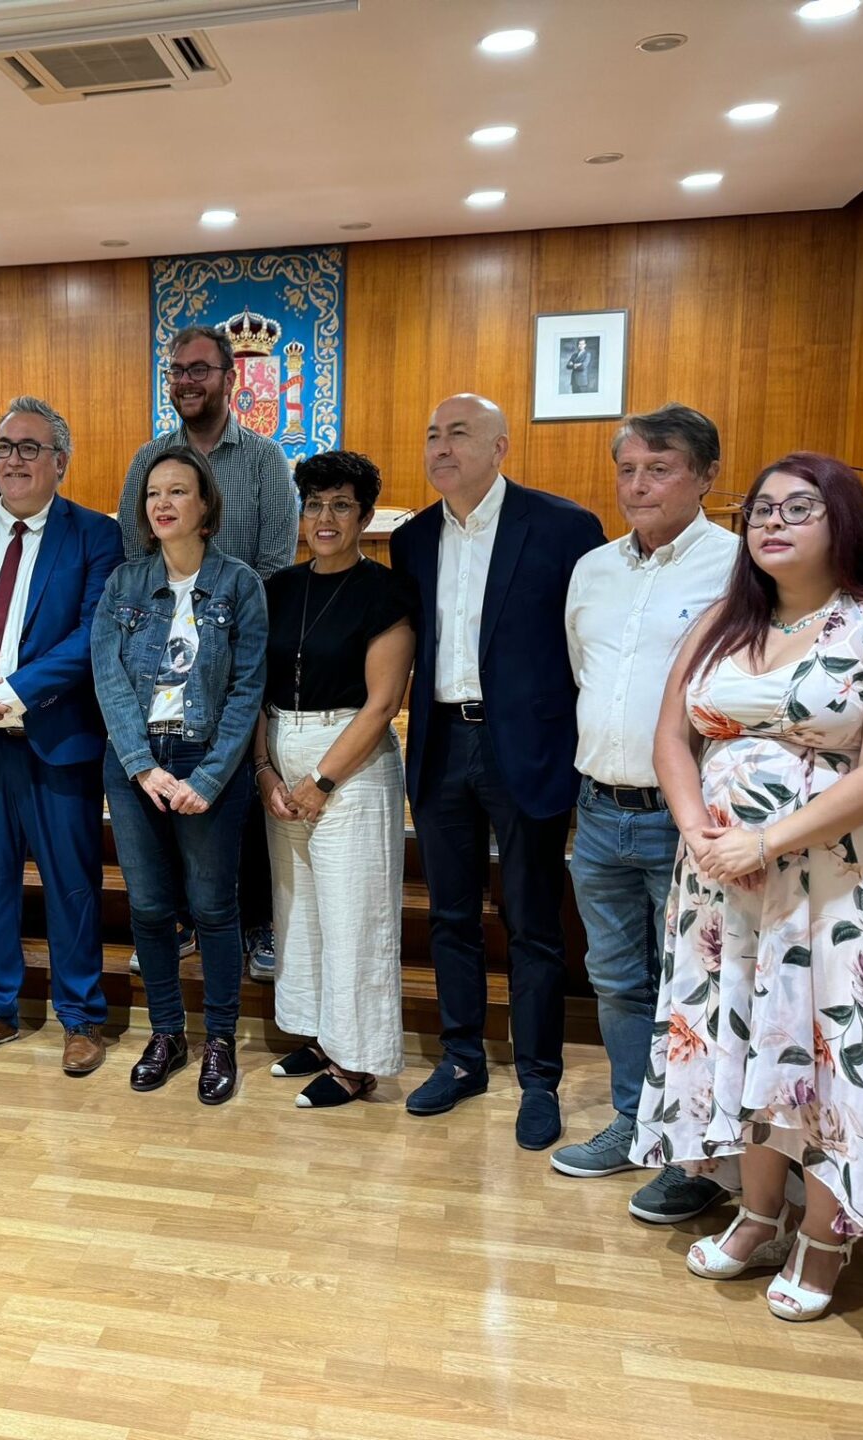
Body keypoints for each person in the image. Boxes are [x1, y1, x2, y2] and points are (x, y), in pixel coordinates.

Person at [639, 453, 863, 1321]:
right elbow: (671, 739)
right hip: (725, 882)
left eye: (798, 508)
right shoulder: (722, 623)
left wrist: (766, 840)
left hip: (841, 880)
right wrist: (698, 831)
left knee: (826, 1047)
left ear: (842, 521)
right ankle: (757, 1213)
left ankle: (825, 1235)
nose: (772, 523)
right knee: (747, 1039)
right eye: (761, 510)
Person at [393, 394, 606, 1150]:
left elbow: (587, 641)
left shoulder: (564, 528)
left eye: (459, 433)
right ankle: (461, 1059)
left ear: (500, 447)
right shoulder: (412, 538)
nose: (441, 447)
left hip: (528, 745)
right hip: (441, 741)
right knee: (450, 915)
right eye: (432, 434)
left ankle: (539, 1076)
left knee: (533, 920)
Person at [556, 405, 741, 1225]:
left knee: (696, 986)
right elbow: (585, 676)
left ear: (706, 476)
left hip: (689, 818)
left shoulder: (738, 568)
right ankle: (636, 1123)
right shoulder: (593, 568)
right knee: (616, 979)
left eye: (659, 469)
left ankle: (697, 1154)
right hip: (600, 808)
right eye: (628, 469)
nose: (638, 485)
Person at [0, 397, 124, 1075]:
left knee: (72, 885)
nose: (13, 459)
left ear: (60, 462)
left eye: (30, 448)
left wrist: (12, 693)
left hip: (56, 739)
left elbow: (94, 633)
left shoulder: (95, 535)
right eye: (6, 447)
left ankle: (81, 1016)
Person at [119, 325, 296, 979]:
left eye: (199, 369)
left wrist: (224, 640)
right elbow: (134, 557)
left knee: (238, 794)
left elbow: (276, 564)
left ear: (230, 377)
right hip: (161, 664)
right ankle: (183, 922)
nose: (186, 381)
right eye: (177, 371)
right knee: (165, 794)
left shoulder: (265, 460)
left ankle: (256, 921)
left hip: (240, 656)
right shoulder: (149, 459)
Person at [92, 445, 265, 1104]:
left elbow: (247, 690)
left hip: (206, 763)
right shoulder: (124, 585)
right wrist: (142, 767)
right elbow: (109, 679)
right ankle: (166, 1032)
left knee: (215, 908)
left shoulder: (240, 585)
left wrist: (210, 778)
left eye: (178, 492)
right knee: (148, 906)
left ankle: (219, 1038)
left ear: (205, 505)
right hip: (136, 766)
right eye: (153, 494)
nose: (163, 504)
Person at [254, 450, 415, 1108]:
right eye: (315, 504)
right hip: (281, 753)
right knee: (301, 914)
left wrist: (320, 781)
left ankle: (359, 1062)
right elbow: (258, 691)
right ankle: (323, 1037)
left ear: (365, 517)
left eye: (341, 505)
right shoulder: (280, 588)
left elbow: (383, 703)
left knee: (354, 916)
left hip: (350, 764)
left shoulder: (386, 593)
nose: (325, 518)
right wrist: (265, 769)